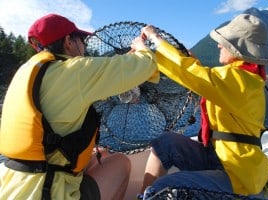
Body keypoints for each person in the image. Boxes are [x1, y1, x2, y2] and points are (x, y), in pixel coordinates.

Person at [0, 13, 159, 200]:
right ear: (68, 41)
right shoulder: (74, 70)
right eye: (81, 40)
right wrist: (142, 47)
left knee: (102, 154)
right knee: (120, 163)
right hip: (49, 192)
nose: (84, 47)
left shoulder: (29, 71)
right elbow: (146, 65)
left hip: (14, 186)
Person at [139, 14, 268, 197]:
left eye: (224, 42)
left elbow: (193, 75)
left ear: (236, 49)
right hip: (217, 156)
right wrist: (185, 59)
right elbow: (202, 77)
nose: (219, 45)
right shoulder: (239, 77)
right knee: (165, 143)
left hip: (235, 174)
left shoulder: (241, 81)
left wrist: (155, 41)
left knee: (164, 188)